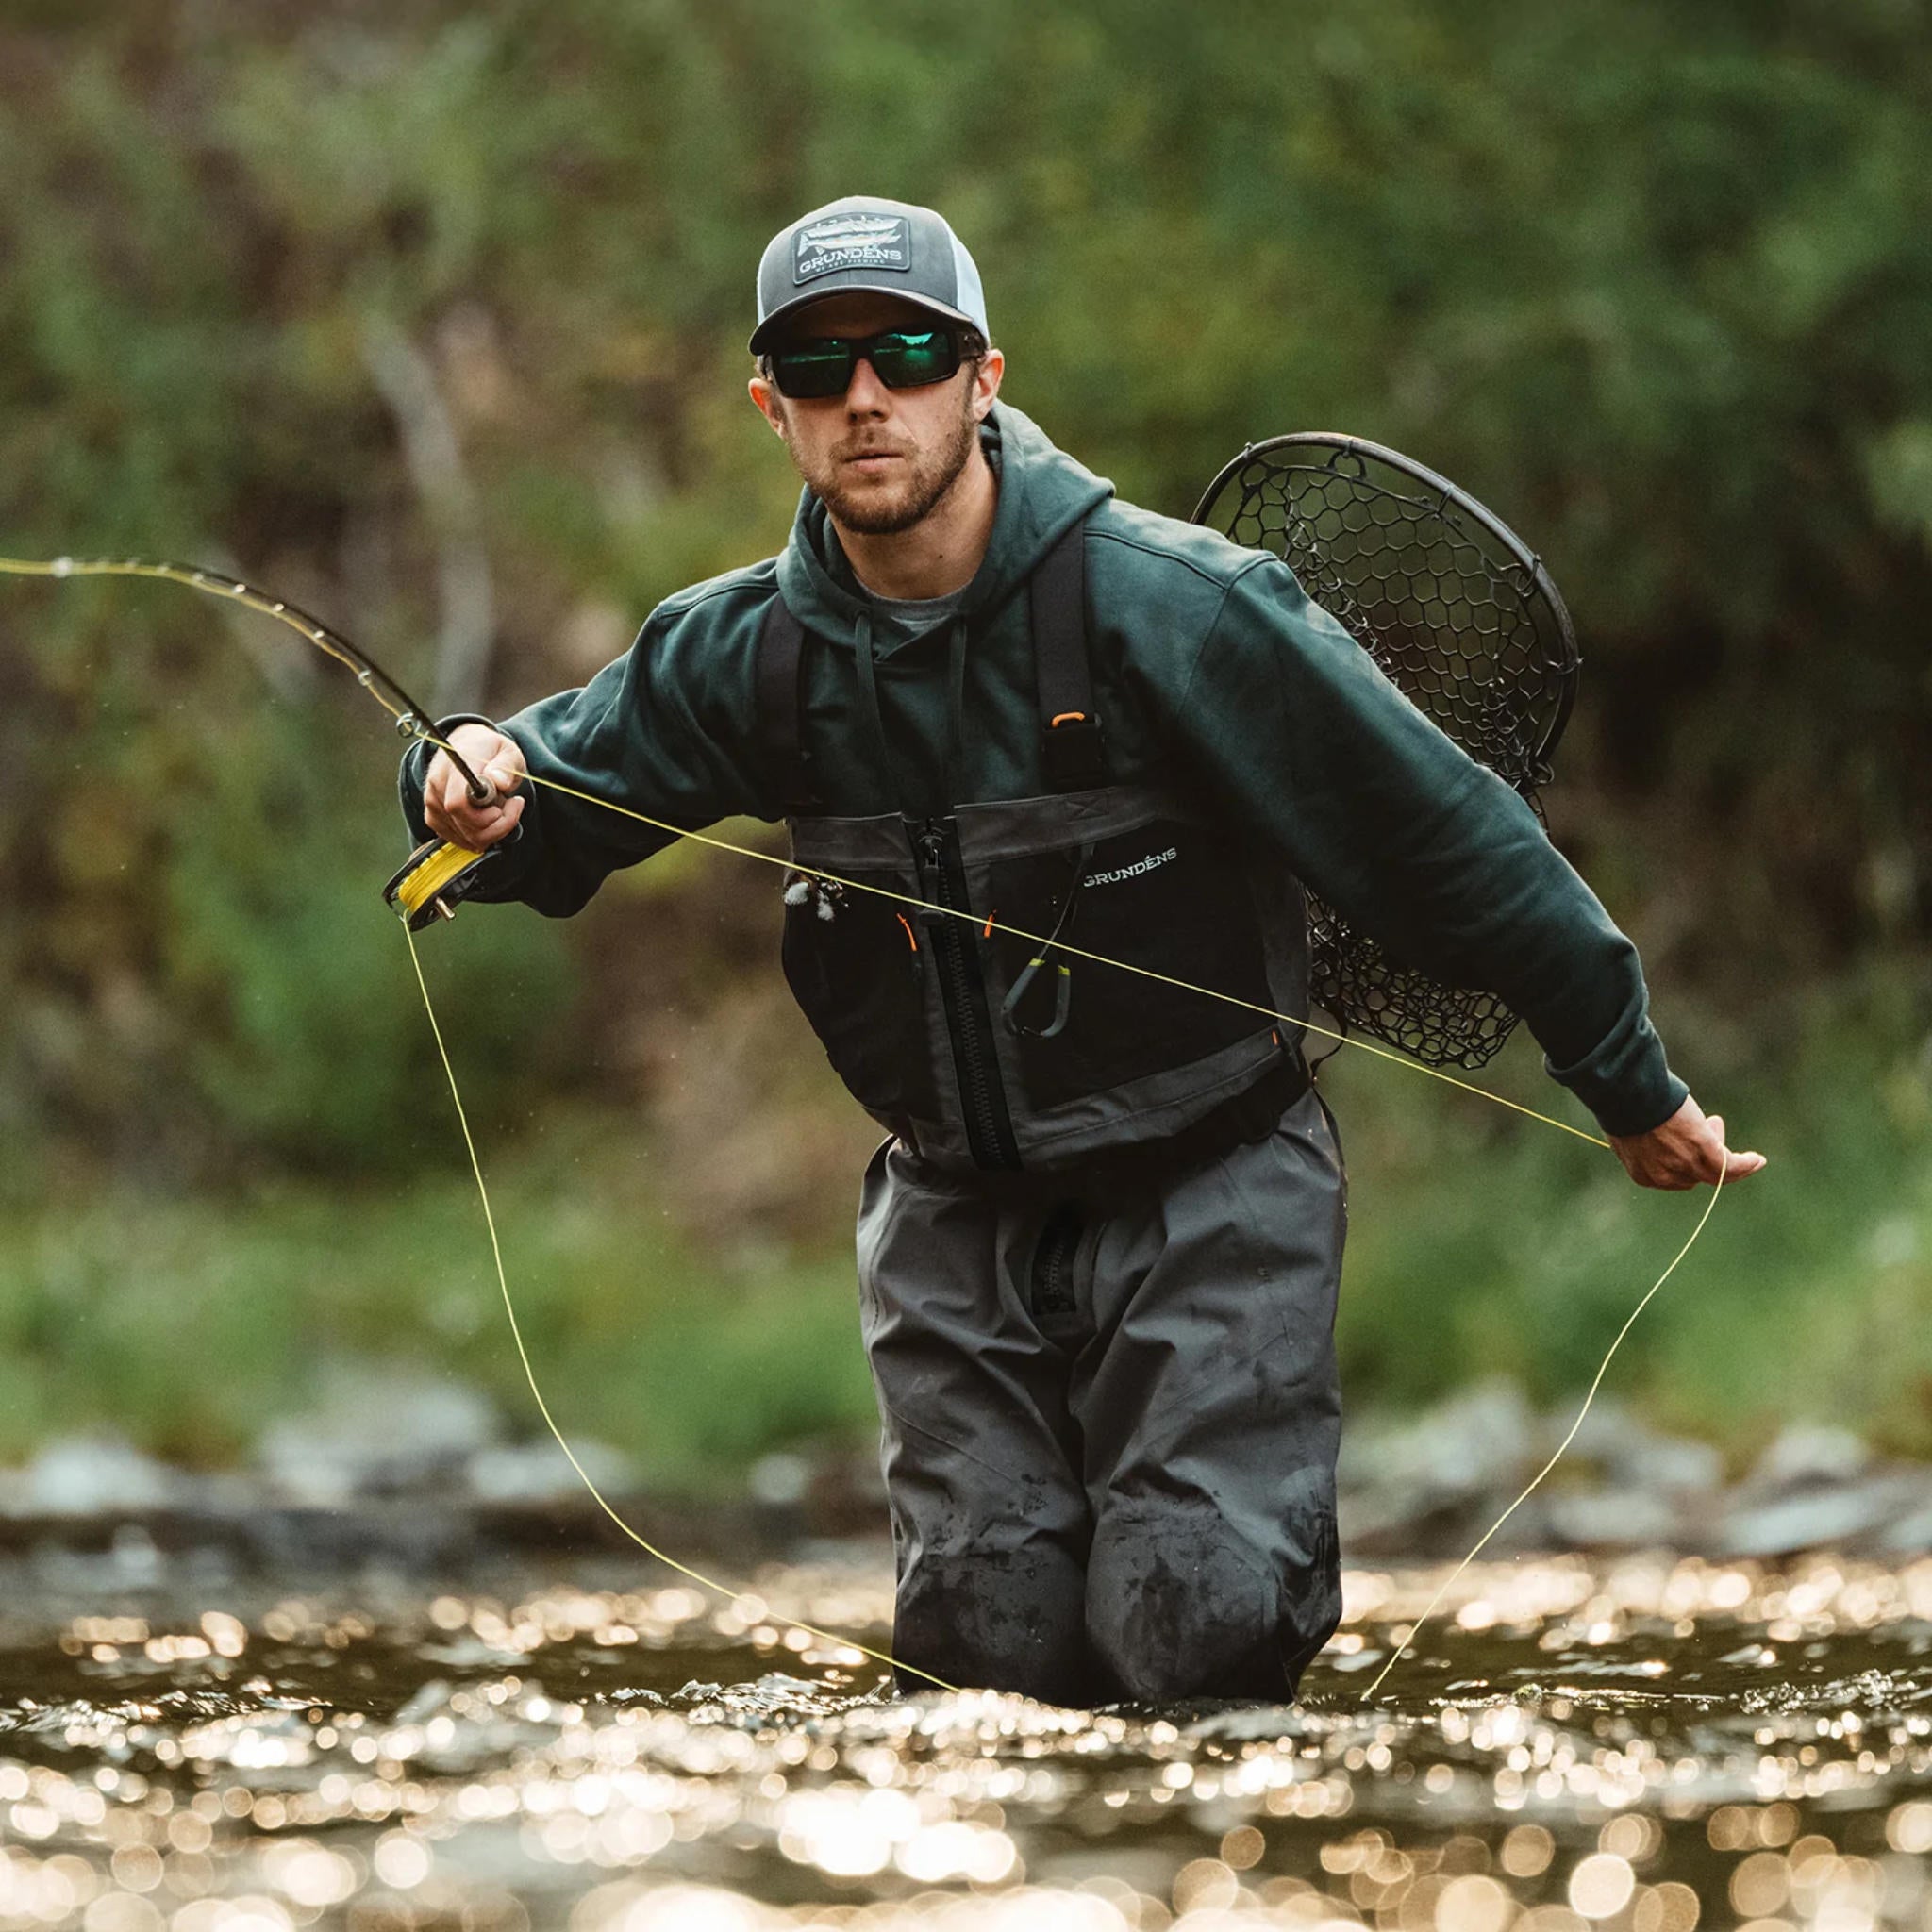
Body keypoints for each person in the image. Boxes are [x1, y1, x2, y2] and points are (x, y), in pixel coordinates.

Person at [402, 195, 1764, 1707]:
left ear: (982, 379)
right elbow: (532, 796)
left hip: (1212, 1193)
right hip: (953, 1222)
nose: (867, 396)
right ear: (768, 407)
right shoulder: (745, 658)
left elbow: (1454, 846)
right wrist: (458, 777)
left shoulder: (1172, 610)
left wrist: (1626, 1082)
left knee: (1199, 1635)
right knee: (981, 1666)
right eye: (817, 364)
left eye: (908, 353)